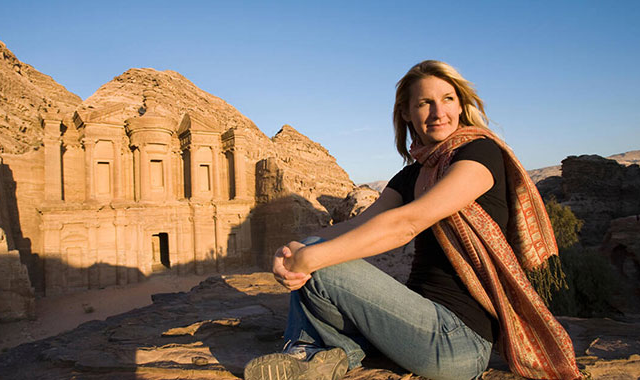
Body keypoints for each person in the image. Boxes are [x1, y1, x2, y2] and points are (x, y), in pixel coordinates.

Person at [244, 60, 582, 380]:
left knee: (321, 262)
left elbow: (407, 223)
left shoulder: (479, 155)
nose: (438, 112)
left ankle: (309, 351)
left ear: (461, 105)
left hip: (459, 342)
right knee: (312, 252)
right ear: (406, 112)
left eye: (447, 99)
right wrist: (295, 250)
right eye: (424, 103)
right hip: (413, 325)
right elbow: (360, 224)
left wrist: (314, 257)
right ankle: (336, 354)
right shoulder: (411, 175)